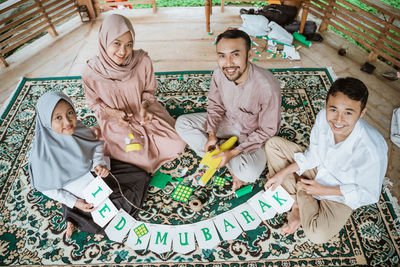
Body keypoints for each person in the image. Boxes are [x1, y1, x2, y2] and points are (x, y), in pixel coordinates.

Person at [264, 77, 388, 244]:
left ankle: (298, 200)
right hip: (318, 171)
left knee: (317, 234)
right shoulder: (323, 116)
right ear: (326, 104)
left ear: (362, 113)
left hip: (339, 194)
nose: (338, 120)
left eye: (348, 113)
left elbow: (369, 194)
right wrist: (283, 173)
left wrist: (325, 191)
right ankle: (301, 201)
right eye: (334, 109)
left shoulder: (372, 150)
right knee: (273, 145)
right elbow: (314, 155)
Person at [29, 92, 151, 239]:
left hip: (94, 172)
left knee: (140, 176)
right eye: (58, 118)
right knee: (113, 211)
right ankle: (74, 215)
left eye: (70, 113)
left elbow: (96, 146)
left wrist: (99, 164)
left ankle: (73, 213)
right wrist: (75, 202)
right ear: (46, 121)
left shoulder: (78, 129)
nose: (68, 122)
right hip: (78, 189)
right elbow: (48, 188)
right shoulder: (42, 155)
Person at [175, 29, 281, 191]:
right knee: (182, 124)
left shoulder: (267, 86)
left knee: (250, 173)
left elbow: (268, 130)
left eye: (235, 54)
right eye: (222, 55)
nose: (228, 63)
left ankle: (223, 159)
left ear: (249, 54)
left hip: (251, 135)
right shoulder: (219, 73)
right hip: (227, 123)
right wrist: (211, 134)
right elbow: (215, 105)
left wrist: (233, 153)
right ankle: (221, 153)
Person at [82, 14, 185, 174]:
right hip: (117, 121)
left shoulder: (142, 61)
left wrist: (145, 106)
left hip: (144, 114)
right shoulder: (91, 72)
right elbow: (94, 104)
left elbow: (149, 91)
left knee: (178, 143)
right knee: (138, 158)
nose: (123, 51)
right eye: (116, 43)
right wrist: (113, 113)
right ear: (104, 40)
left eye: (129, 44)